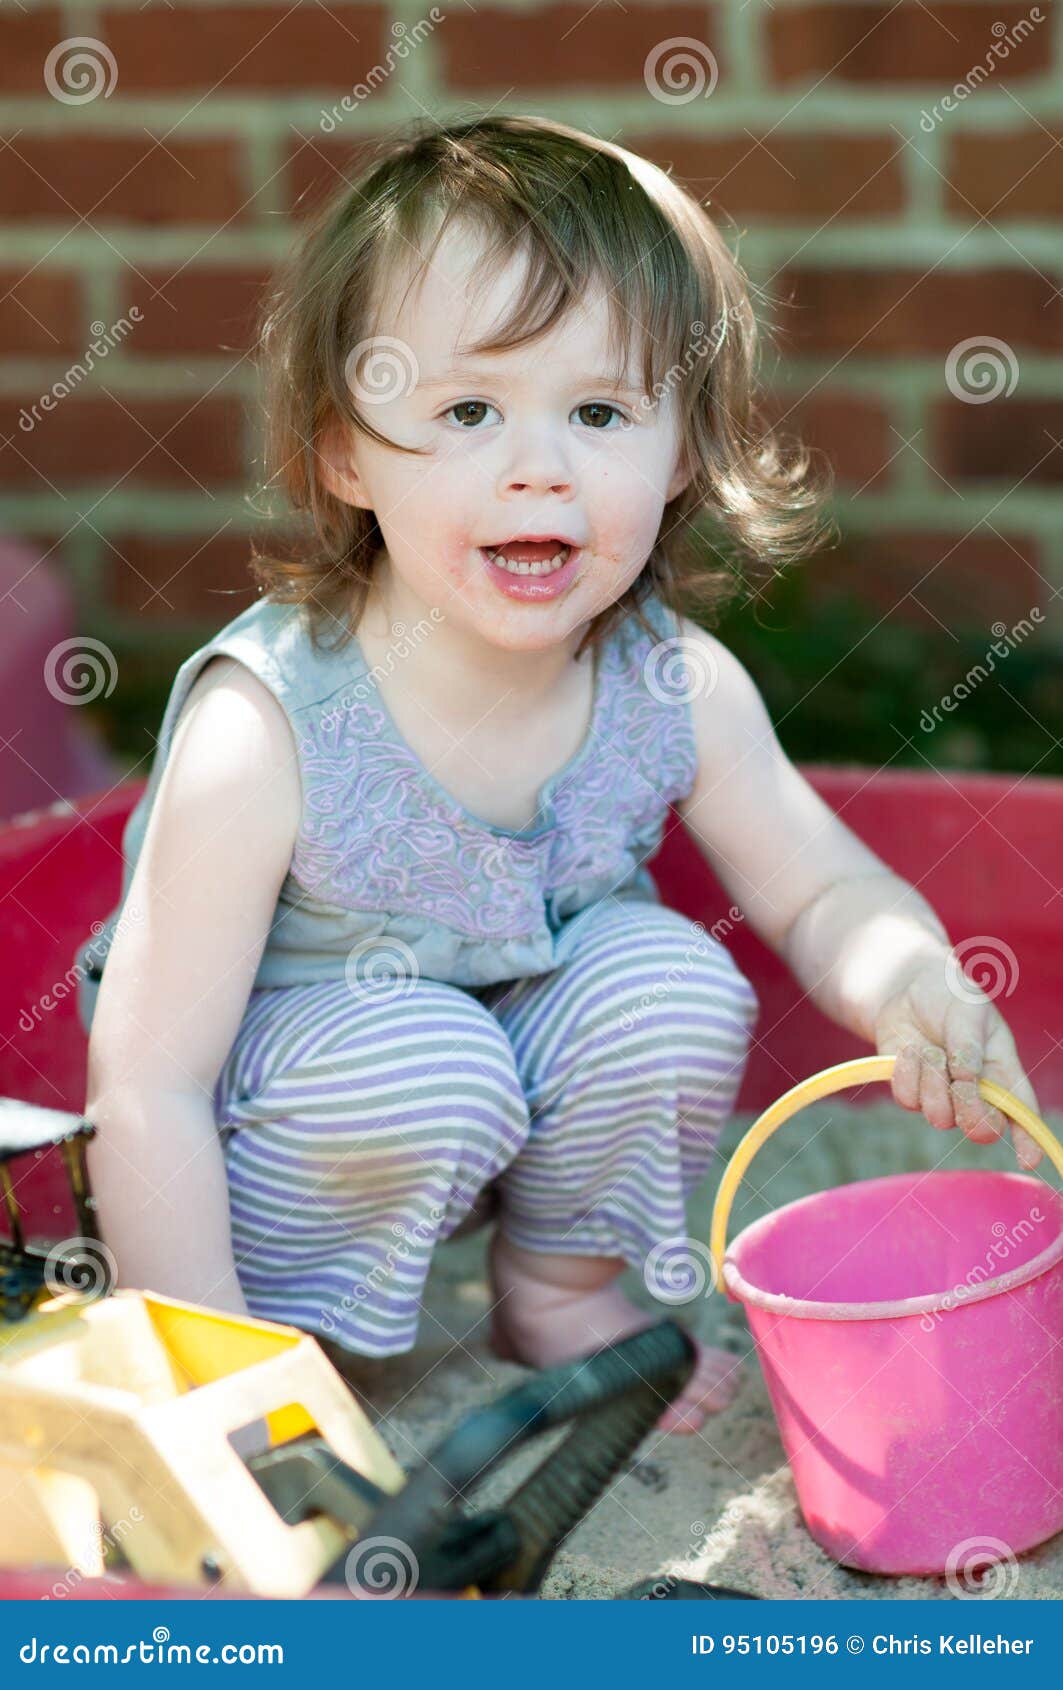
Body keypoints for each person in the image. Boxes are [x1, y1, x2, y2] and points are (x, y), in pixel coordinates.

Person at [78, 114, 1043, 1436]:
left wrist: (912, 975)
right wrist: (211, 1379)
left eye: (599, 410)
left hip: (516, 1064)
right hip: (306, 1114)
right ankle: (291, 1333)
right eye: (468, 408)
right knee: (424, 1056)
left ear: (683, 446)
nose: (539, 463)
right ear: (345, 451)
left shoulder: (671, 683)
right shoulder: (269, 728)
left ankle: (560, 1283)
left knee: (668, 977)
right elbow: (148, 1082)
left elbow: (822, 891)